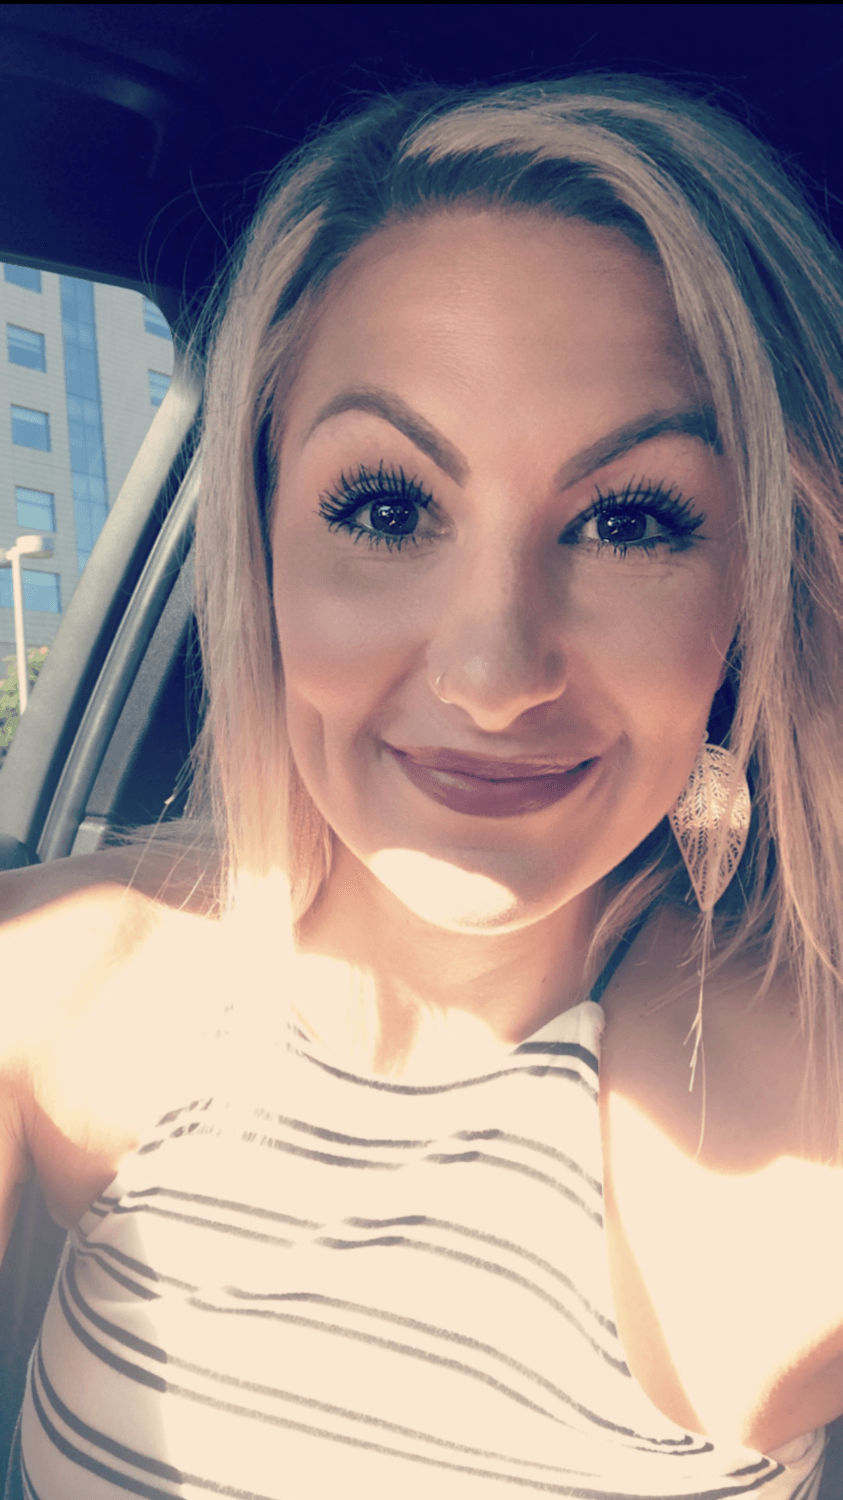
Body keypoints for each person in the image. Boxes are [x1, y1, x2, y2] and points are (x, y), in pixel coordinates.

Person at [0, 71, 841, 1499]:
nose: (493, 671)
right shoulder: (65, 979)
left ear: (757, 591)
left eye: (630, 520)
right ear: (260, 550)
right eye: (387, 507)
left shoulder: (772, 1115)